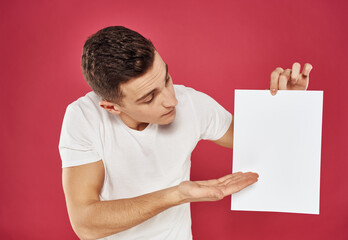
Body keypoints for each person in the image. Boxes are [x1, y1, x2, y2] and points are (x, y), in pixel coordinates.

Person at [58, 26, 313, 240]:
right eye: (150, 98)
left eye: (166, 79)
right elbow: (85, 223)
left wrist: (286, 107)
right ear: (112, 107)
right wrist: (176, 195)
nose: (172, 101)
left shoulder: (192, 103)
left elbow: (257, 141)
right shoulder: (83, 118)